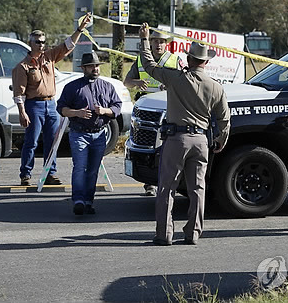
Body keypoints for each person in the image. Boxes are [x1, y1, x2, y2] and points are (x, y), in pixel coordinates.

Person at [138, 22, 230, 245]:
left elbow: (149, 66)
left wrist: (144, 40)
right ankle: (193, 233)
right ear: (206, 62)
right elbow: (224, 118)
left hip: (177, 140)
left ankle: (164, 234)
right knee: (198, 188)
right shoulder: (216, 87)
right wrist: (220, 140)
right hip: (201, 141)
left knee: (167, 188)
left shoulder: (176, 78)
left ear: (188, 60)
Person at [12, 13, 92, 186]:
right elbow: (19, 93)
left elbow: (68, 45)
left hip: (51, 103)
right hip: (34, 105)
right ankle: (25, 174)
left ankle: (50, 173)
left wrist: (80, 29)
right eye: (37, 42)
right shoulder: (23, 66)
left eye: (43, 42)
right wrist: (22, 112)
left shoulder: (49, 57)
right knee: (31, 141)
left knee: (53, 141)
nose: (41, 45)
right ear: (30, 43)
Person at [57, 52, 122, 215]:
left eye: (97, 66)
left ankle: (88, 201)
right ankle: (78, 200)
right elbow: (61, 109)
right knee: (80, 167)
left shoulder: (107, 86)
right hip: (79, 134)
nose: (95, 69)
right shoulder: (72, 87)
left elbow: (117, 107)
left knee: (93, 170)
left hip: (100, 134)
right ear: (84, 68)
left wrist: (105, 110)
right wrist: (76, 113)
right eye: (92, 66)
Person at [124, 29, 183, 197]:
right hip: (147, 113)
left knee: (169, 149)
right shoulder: (141, 60)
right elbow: (126, 82)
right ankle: (150, 184)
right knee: (150, 149)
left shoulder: (175, 60)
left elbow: (185, 83)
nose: (158, 44)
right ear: (150, 42)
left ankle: (170, 183)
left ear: (167, 44)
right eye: (155, 41)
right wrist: (136, 82)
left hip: (168, 109)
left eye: (162, 42)